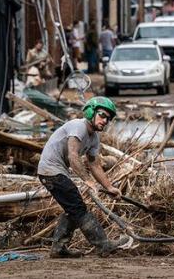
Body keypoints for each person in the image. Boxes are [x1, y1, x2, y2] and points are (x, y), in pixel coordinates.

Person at [37, 97, 130, 258]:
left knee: (72, 208)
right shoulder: (78, 127)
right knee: (79, 209)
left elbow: (94, 165)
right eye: (102, 115)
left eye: (108, 118)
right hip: (50, 171)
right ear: (90, 112)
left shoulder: (94, 138)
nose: (105, 120)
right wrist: (88, 181)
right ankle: (103, 245)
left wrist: (109, 187)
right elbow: (73, 157)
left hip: (57, 172)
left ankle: (59, 249)